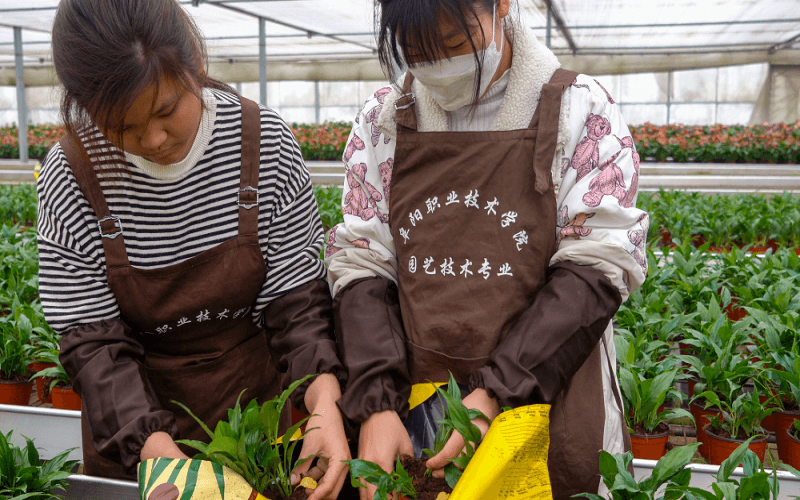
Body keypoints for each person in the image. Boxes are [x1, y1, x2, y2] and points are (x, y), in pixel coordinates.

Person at [325, 0, 649, 498]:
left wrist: (498, 391)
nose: (437, 67)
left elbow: (597, 265)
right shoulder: (384, 121)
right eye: (416, 52)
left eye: (454, 45)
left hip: (542, 389)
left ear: (500, 6)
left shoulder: (579, 111)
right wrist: (376, 403)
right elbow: (362, 265)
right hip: (413, 402)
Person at [37, 1, 350, 499]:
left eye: (165, 111)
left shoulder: (263, 143)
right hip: (134, 436)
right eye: (122, 127)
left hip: (253, 426)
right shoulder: (72, 174)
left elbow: (297, 307)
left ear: (195, 61)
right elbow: (94, 343)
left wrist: (323, 402)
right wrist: (158, 454)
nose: (153, 139)